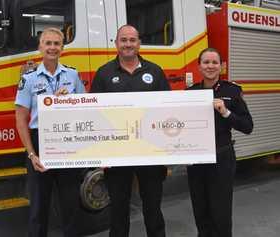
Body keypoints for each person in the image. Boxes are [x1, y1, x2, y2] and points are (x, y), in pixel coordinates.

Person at [90, 25, 169, 237]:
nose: (128, 44)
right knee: (118, 209)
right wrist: (100, 153)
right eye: (123, 40)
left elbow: (168, 110)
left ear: (139, 43)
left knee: (153, 207)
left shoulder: (155, 71)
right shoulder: (104, 73)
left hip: (150, 152)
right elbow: (95, 115)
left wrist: (168, 150)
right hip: (117, 153)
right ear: (116, 43)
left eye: (132, 40)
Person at [15, 27, 85, 237]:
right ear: (40, 47)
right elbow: (20, 119)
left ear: (62, 48)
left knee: (70, 205)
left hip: (67, 141)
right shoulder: (28, 79)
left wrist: (70, 101)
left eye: (56, 44)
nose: (52, 48)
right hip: (39, 143)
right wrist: (31, 154)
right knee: (38, 208)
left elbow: (85, 108)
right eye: (48, 43)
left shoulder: (72, 75)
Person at [187, 47, 253, 237]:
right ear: (199, 66)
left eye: (214, 62)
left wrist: (226, 112)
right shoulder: (189, 94)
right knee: (200, 210)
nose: (210, 66)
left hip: (222, 158)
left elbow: (248, 127)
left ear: (221, 66)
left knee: (221, 212)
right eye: (206, 62)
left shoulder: (232, 91)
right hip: (197, 160)